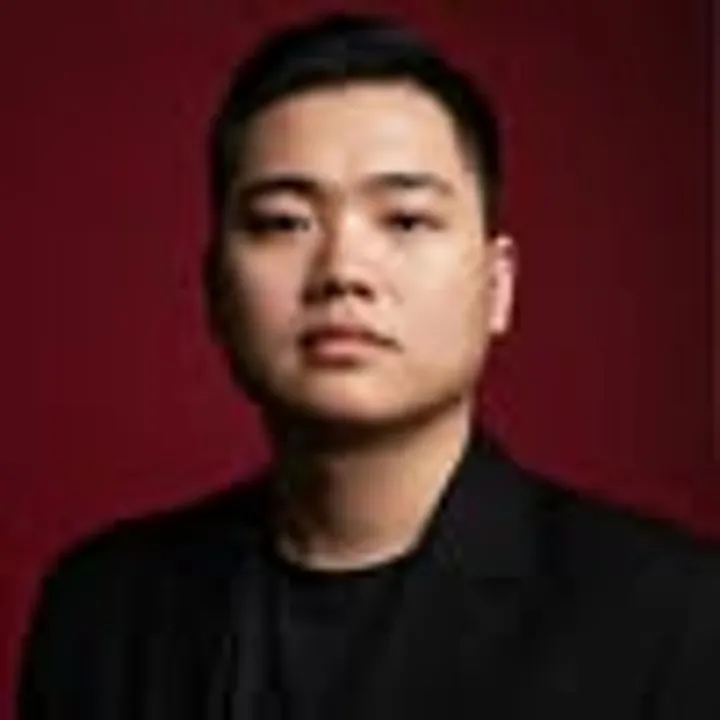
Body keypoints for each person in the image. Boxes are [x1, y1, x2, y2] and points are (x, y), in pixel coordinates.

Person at [16, 12, 720, 720]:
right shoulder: (101, 615)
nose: (343, 271)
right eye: (284, 222)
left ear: (497, 285)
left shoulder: (674, 620)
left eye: (405, 220)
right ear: (215, 290)